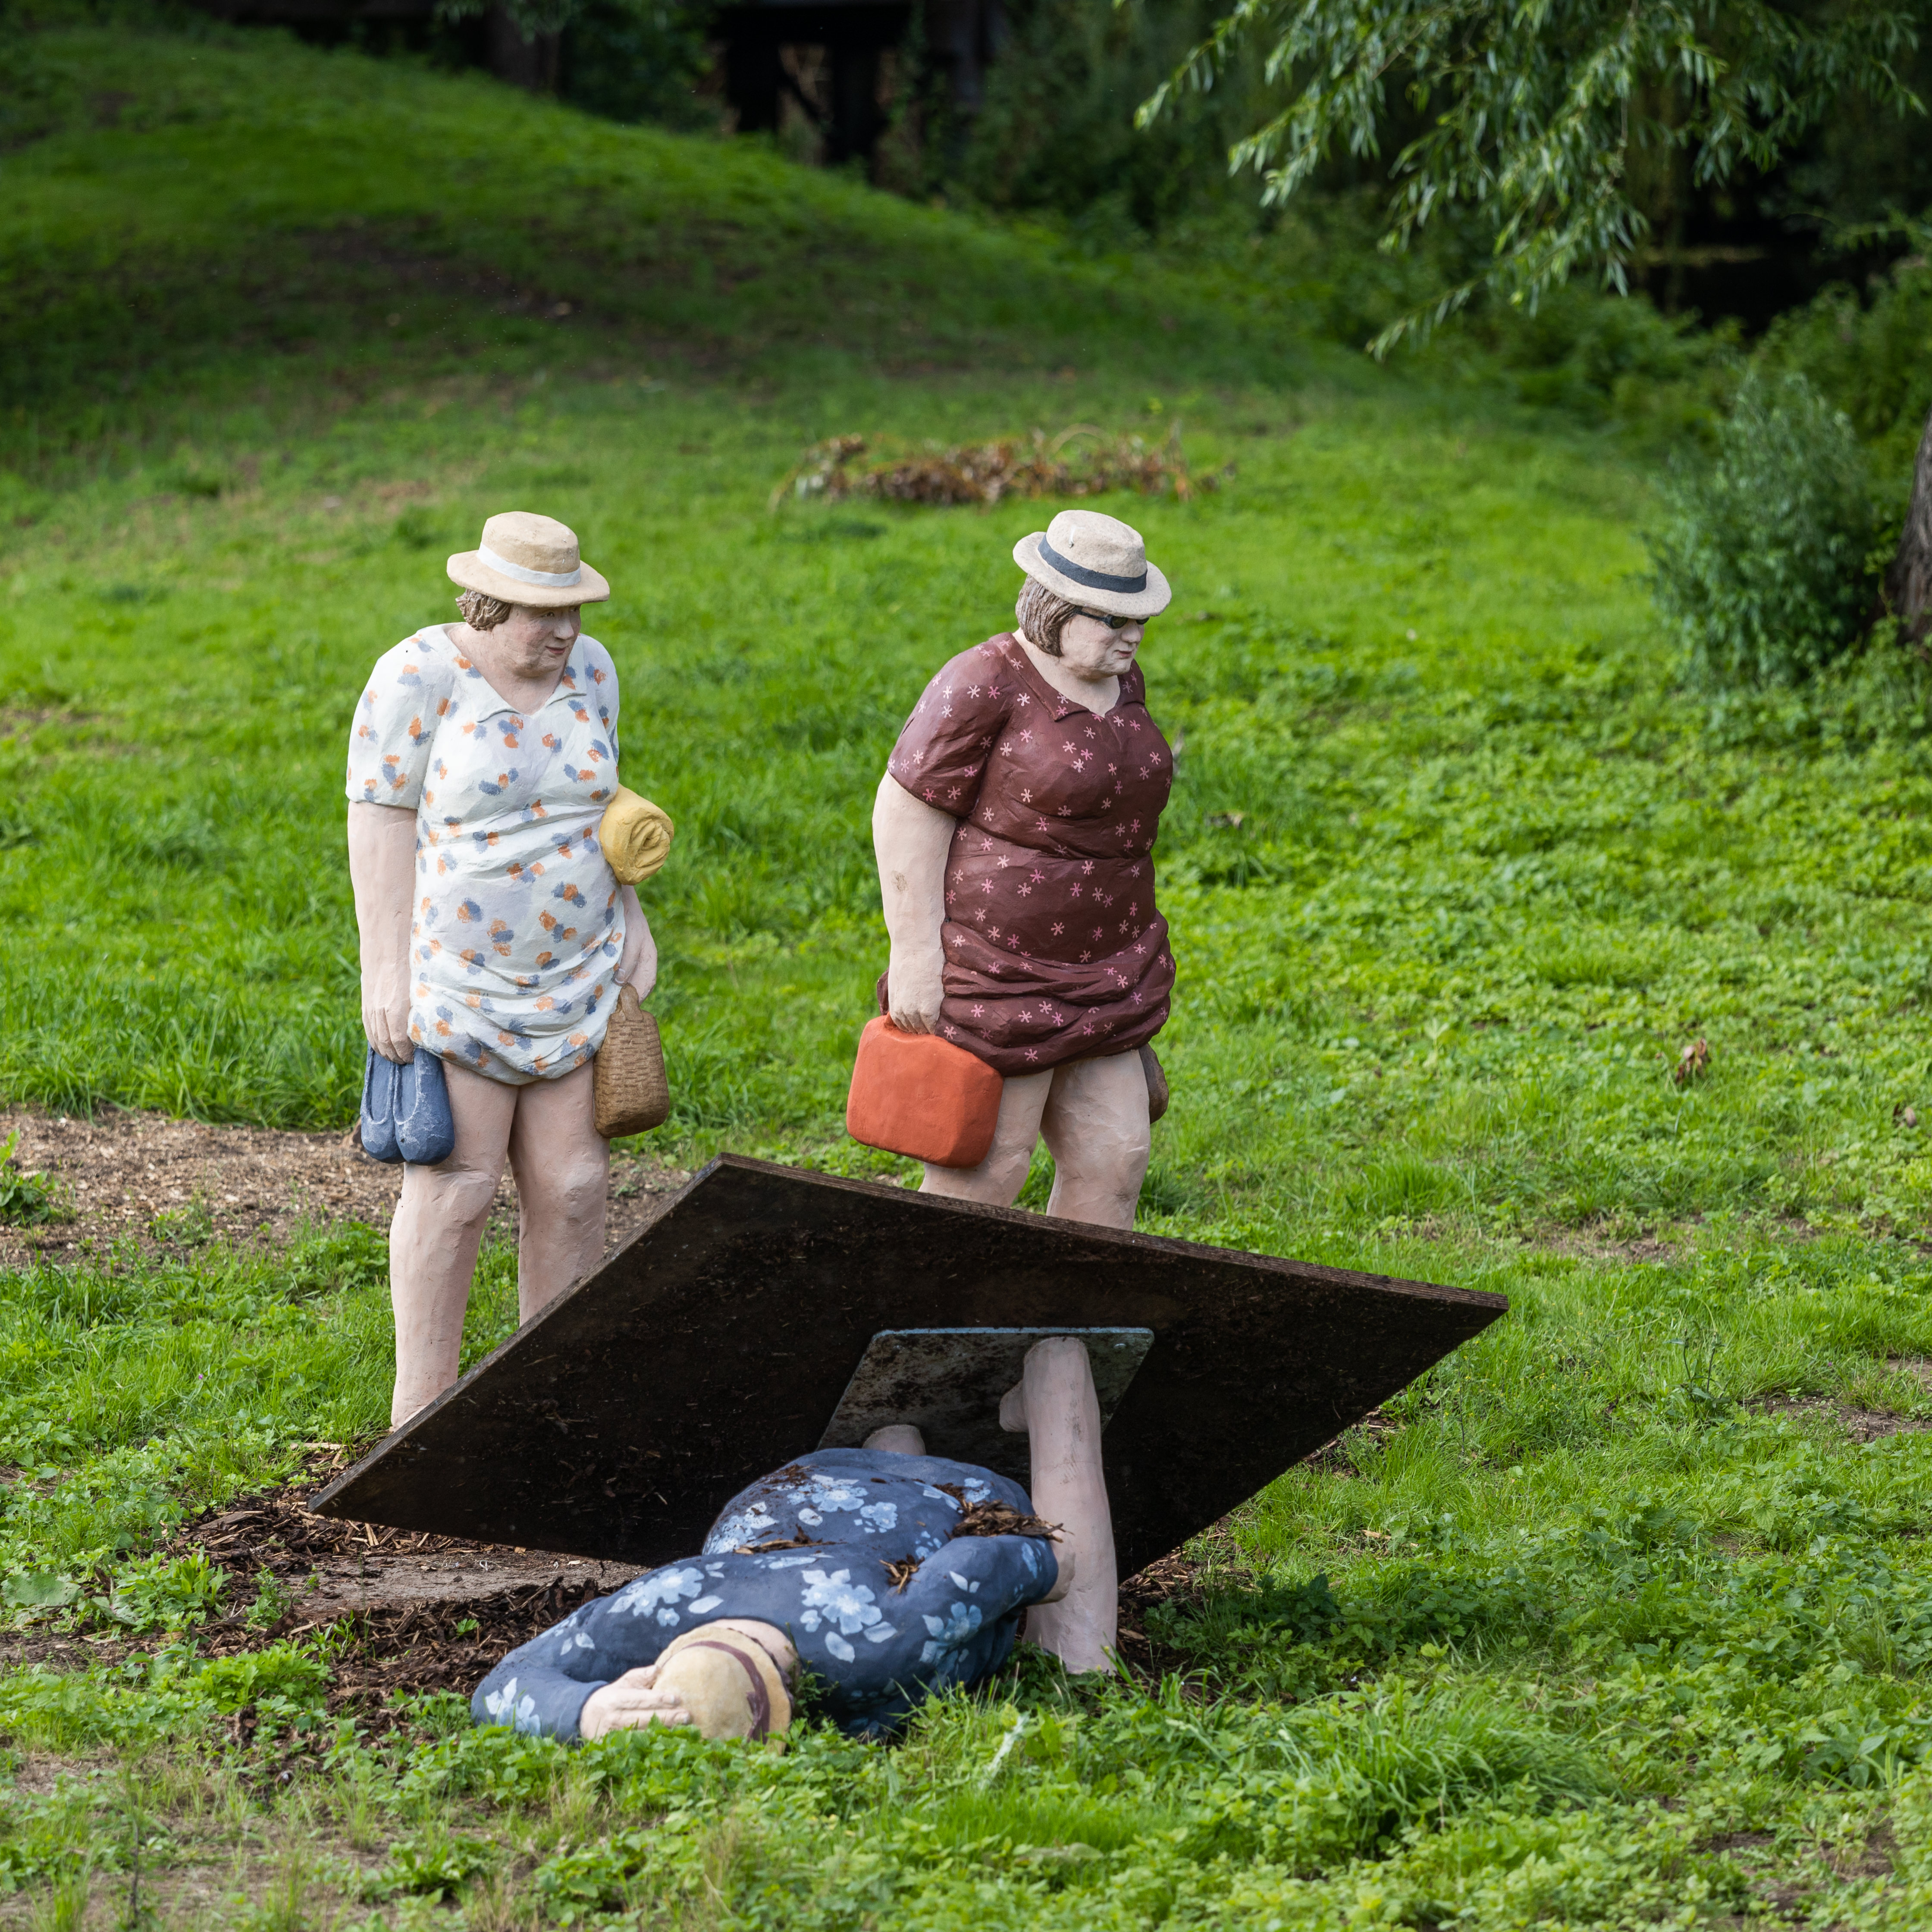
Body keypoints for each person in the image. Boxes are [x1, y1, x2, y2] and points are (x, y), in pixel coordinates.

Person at [345, 512, 656, 1428]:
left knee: (574, 1187)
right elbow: (381, 820)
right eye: (539, 613)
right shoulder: (419, 676)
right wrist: (385, 968)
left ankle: (547, 1400)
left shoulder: (592, 670)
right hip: (462, 975)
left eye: (572, 609)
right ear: (485, 605)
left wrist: (632, 914)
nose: (562, 631)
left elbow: (603, 804)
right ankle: (422, 1413)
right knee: (457, 1190)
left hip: (576, 970)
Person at [472, 1336, 1120, 1743]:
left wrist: (1031, 1568)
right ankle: (895, 1440)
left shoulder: (873, 1643)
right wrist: (594, 1710)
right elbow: (503, 1681)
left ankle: (1055, 1384)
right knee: (921, 1559)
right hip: (789, 1494)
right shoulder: (657, 1608)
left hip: (941, 1498)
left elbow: (995, 1555)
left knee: (1060, 1564)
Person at [872, 509, 1176, 1229]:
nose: (1132, 635)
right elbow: (907, 808)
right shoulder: (985, 680)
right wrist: (914, 955)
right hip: (999, 973)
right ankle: (936, 1302)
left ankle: (1066, 1305)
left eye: (1138, 620)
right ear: (1055, 610)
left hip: (1108, 971)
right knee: (988, 1165)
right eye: (1112, 619)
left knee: (1116, 1159)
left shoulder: (1121, 682)